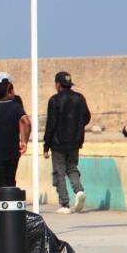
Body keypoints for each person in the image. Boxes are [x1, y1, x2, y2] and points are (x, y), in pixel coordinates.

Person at [43, 71, 91, 214]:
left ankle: (64, 204)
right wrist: (77, 126)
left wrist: (46, 145)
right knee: (72, 168)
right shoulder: (80, 98)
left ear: (58, 84)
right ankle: (79, 191)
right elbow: (87, 117)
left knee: (60, 172)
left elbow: (51, 124)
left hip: (58, 143)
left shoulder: (54, 100)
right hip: (75, 142)